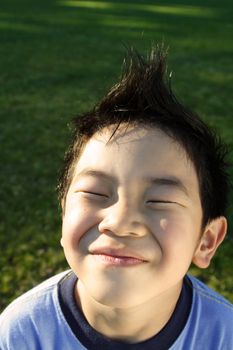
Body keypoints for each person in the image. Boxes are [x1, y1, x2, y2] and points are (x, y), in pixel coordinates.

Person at [0, 46, 232, 350]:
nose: (120, 223)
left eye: (159, 201)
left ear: (206, 241)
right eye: (95, 193)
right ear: (64, 215)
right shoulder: (20, 335)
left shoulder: (223, 336)